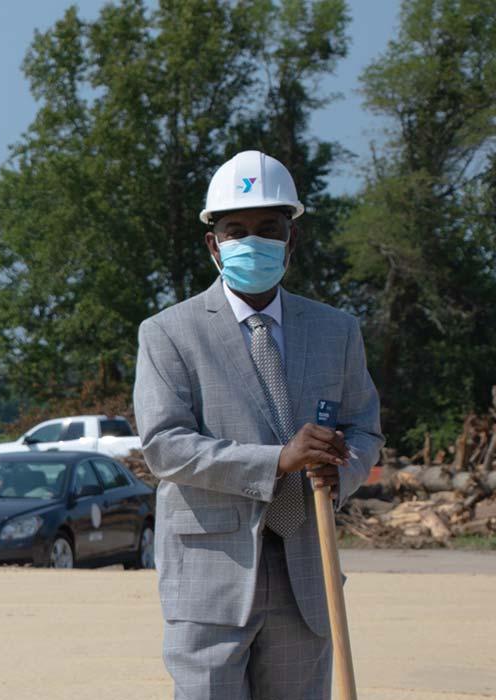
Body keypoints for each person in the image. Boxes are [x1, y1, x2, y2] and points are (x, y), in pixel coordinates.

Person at [134, 150, 382, 700]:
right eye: (236, 229)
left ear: (291, 240)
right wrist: (278, 460)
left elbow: (365, 428)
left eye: (268, 229)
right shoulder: (169, 333)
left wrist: (340, 474)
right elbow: (164, 447)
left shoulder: (335, 330)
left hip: (306, 575)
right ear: (213, 243)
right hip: (211, 579)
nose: (252, 241)